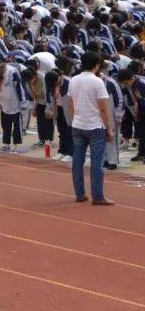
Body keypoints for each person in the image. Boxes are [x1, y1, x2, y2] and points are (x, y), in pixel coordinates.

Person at [66, 52, 114, 205]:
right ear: (96, 65)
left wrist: (76, 119)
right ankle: (98, 196)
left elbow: (71, 103)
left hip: (78, 125)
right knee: (96, 163)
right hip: (95, 126)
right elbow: (103, 109)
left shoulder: (73, 80)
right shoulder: (97, 82)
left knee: (77, 162)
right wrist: (109, 129)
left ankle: (79, 193)